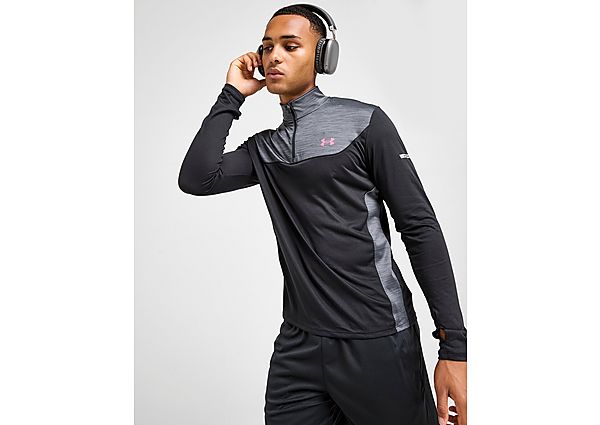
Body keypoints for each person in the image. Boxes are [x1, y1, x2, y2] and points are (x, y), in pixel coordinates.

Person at [179, 4, 467, 425]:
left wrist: (454, 347)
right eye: (267, 47)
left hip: (376, 339)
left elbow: (419, 227)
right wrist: (231, 95)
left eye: (290, 46)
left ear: (322, 56)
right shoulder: (265, 148)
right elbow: (197, 177)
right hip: (298, 346)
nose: (274, 57)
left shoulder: (364, 123)